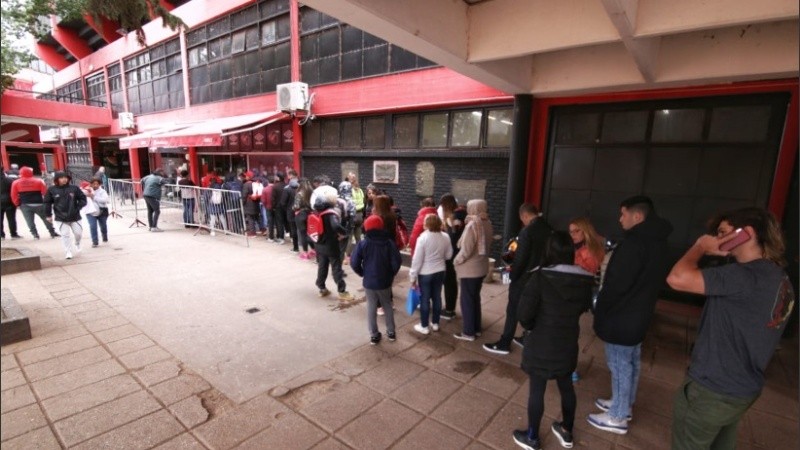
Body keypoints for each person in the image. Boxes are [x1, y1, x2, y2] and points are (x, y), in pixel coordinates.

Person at [666, 207, 794, 449]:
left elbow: (677, 278)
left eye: (723, 232)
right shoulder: (780, 279)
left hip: (712, 387)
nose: (717, 239)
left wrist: (701, 247)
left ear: (746, 233)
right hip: (743, 387)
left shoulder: (744, 276)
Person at [588, 195, 673, 435]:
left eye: (623, 214)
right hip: (639, 312)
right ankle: (623, 403)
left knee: (619, 364)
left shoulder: (636, 243)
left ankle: (617, 417)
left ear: (637, 216)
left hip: (622, 314)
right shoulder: (657, 241)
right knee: (631, 360)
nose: (620, 219)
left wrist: (602, 304)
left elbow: (618, 282)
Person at [512, 231, 595, 450]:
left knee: (537, 389)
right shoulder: (585, 279)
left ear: (548, 251)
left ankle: (532, 437)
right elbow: (583, 307)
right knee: (566, 386)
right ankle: (567, 431)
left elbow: (524, 314)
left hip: (541, 342)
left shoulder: (540, 276)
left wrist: (531, 328)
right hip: (567, 341)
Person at [484, 203, 552, 355]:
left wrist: (512, 276)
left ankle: (504, 343)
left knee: (513, 310)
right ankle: (527, 338)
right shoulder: (548, 229)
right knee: (534, 309)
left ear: (524, 216)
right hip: (540, 276)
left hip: (524, 278)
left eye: (523, 219)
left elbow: (520, 258)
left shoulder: (527, 232)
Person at [350, 215, 402, 345]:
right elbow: (397, 261)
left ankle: (374, 335)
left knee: (371, 307)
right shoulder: (389, 242)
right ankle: (391, 332)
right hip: (385, 281)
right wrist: (391, 274)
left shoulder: (363, 243)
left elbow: (354, 262)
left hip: (369, 281)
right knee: (387, 305)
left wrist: (362, 273)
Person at [453, 199, 494, 341]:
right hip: (482, 267)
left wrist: (456, 261)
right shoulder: (487, 223)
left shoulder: (472, 225)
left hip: (470, 269)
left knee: (467, 301)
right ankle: (476, 328)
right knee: (475, 298)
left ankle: (468, 332)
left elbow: (466, 250)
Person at [409, 214, 453, 335]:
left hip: (425, 273)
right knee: (437, 297)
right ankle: (435, 324)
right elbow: (449, 255)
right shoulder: (445, 236)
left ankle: (424, 326)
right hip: (440, 271)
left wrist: (412, 276)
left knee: (425, 299)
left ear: (427, 224)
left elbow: (417, 260)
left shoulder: (422, 238)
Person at [314, 188, 354, 301]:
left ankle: (322, 288)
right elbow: (335, 226)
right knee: (336, 268)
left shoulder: (317, 212)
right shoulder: (330, 213)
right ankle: (342, 291)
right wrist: (345, 232)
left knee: (322, 267)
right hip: (331, 245)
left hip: (319, 245)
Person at [44, 172, 87, 259]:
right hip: (60, 217)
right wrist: (48, 215)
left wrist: (78, 207)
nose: (64, 179)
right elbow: (47, 203)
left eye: (65, 177)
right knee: (65, 235)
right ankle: (68, 251)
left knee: (78, 233)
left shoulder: (74, 188)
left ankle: (77, 243)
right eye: (61, 178)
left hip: (75, 216)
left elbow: (83, 199)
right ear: (57, 179)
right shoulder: (51, 190)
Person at [10, 166, 59, 239]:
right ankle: (52, 232)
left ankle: (35, 234)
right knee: (46, 218)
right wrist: (47, 203)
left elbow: (13, 195)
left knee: (29, 221)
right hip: (39, 203)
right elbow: (45, 193)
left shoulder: (16, 182)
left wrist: (17, 203)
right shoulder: (38, 181)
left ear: (21, 173)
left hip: (25, 204)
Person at [439, 194, 466, 320]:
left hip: (452, 254)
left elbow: (452, 238)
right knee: (451, 281)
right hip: (456, 252)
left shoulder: (454, 218)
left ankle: (449, 310)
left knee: (449, 281)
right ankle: (450, 307)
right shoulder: (462, 214)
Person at [294, 178, 315, 260]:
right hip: (310, 214)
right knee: (309, 233)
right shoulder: (311, 192)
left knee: (303, 234)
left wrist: (294, 209)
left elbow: (296, 206)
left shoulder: (299, 194)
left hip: (301, 215)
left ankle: (305, 253)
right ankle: (313, 250)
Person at [85, 178, 109, 247]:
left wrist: (94, 197)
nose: (95, 185)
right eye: (93, 184)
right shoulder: (86, 190)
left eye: (97, 184)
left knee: (103, 226)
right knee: (93, 226)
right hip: (90, 212)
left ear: (99, 184)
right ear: (91, 184)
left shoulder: (102, 191)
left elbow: (105, 200)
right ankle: (95, 241)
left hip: (101, 211)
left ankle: (104, 235)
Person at [1, 167, 21, 239]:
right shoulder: (10, 180)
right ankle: (13, 234)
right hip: (9, 201)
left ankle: (1, 235)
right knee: (11, 218)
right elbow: (15, 191)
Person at [241, 171, 261, 236]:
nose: (245, 177)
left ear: (248, 177)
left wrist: (242, 203)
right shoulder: (256, 183)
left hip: (249, 203)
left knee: (250, 218)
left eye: (246, 176)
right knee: (257, 217)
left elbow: (244, 195)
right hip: (256, 203)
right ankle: (262, 229)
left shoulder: (246, 184)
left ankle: (252, 233)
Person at [270, 172, 286, 244]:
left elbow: (273, 198)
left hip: (278, 207)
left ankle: (280, 237)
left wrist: (273, 207)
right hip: (285, 206)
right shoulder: (286, 185)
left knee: (279, 222)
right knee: (285, 221)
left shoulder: (275, 186)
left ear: (278, 178)